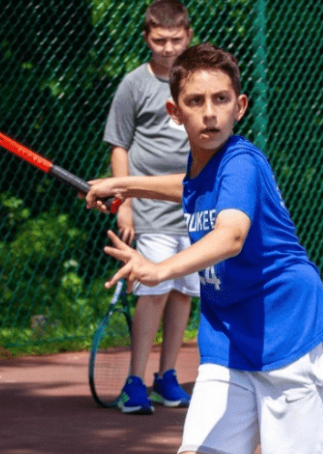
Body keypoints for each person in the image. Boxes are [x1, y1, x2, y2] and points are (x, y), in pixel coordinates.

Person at [86, 44, 323, 454]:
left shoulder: (242, 162)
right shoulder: (203, 167)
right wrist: (126, 185)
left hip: (289, 338)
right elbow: (189, 187)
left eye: (221, 100)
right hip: (227, 343)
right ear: (174, 111)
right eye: (196, 101)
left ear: (239, 106)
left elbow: (231, 235)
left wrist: (159, 268)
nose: (210, 113)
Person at [102, 1, 199, 415]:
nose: (168, 48)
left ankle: (167, 377)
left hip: (194, 208)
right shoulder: (133, 85)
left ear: (188, 37)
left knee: (181, 293)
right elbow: (119, 144)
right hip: (151, 212)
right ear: (147, 38)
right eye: (159, 40)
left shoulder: (198, 82)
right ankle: (134, 382)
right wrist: (124, 204)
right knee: (154, 291)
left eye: (176, 40)